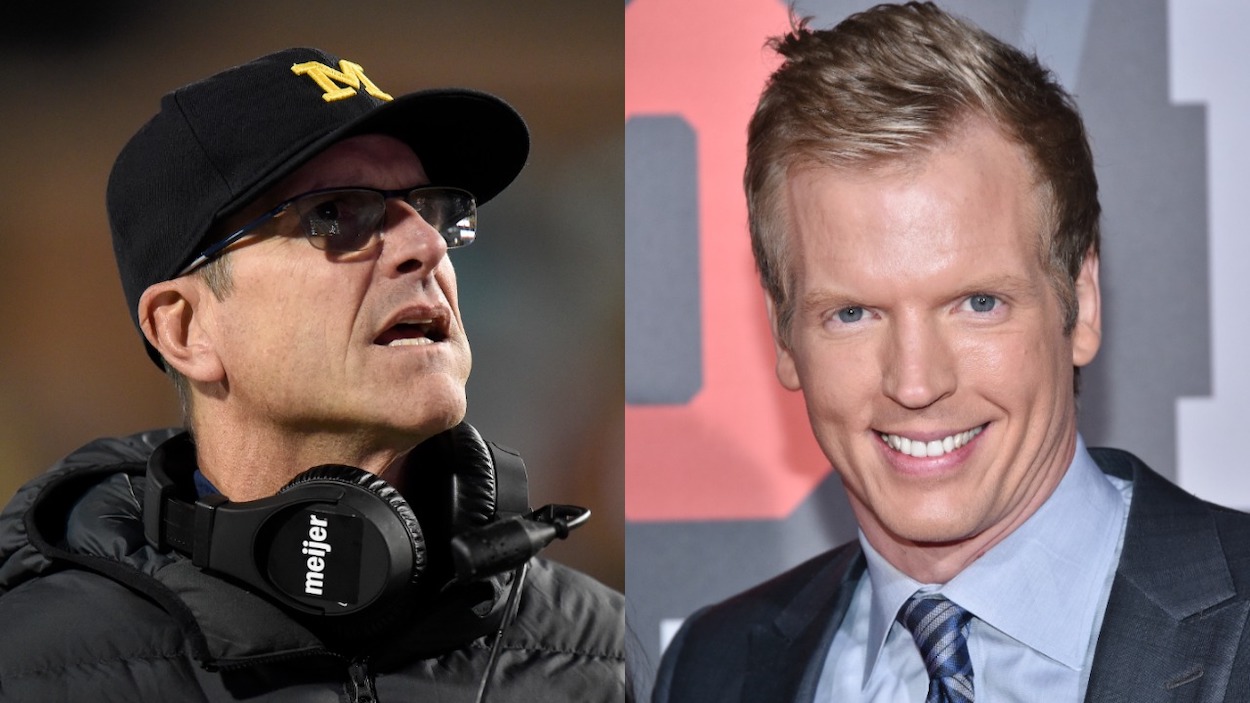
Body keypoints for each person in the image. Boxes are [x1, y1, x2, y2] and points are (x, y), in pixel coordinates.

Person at [651, 3, 1250, 702]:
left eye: (977, 303)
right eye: (852, 312)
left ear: (1080, 301)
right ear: (785, 333)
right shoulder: (709, 668)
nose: (914, 381)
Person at [0, 47, 624, 701]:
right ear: (185, 328)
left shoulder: (616, 661)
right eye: (333, 215)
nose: (427, 245)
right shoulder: (29, 668)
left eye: (435, 210)